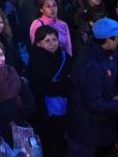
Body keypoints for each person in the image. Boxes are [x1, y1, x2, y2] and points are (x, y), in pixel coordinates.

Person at [66, 18, 118, 157]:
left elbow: (110, 81)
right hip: (85, 127)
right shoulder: (90, 64)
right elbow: (93, 101)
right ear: (108, 40)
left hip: (100, 123)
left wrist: (116, 93)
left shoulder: (110, 53)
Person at [28, 25, 72, 157]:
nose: (52, 43)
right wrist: (63, 83)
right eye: (47, 40)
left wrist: (59, 84)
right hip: (45, 109)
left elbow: (72, 78)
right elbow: (42, 86)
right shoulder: (36, 61)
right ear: (39, 43)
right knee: (51, 139)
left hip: (65, 104)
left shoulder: (65, 56)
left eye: (54, 39)